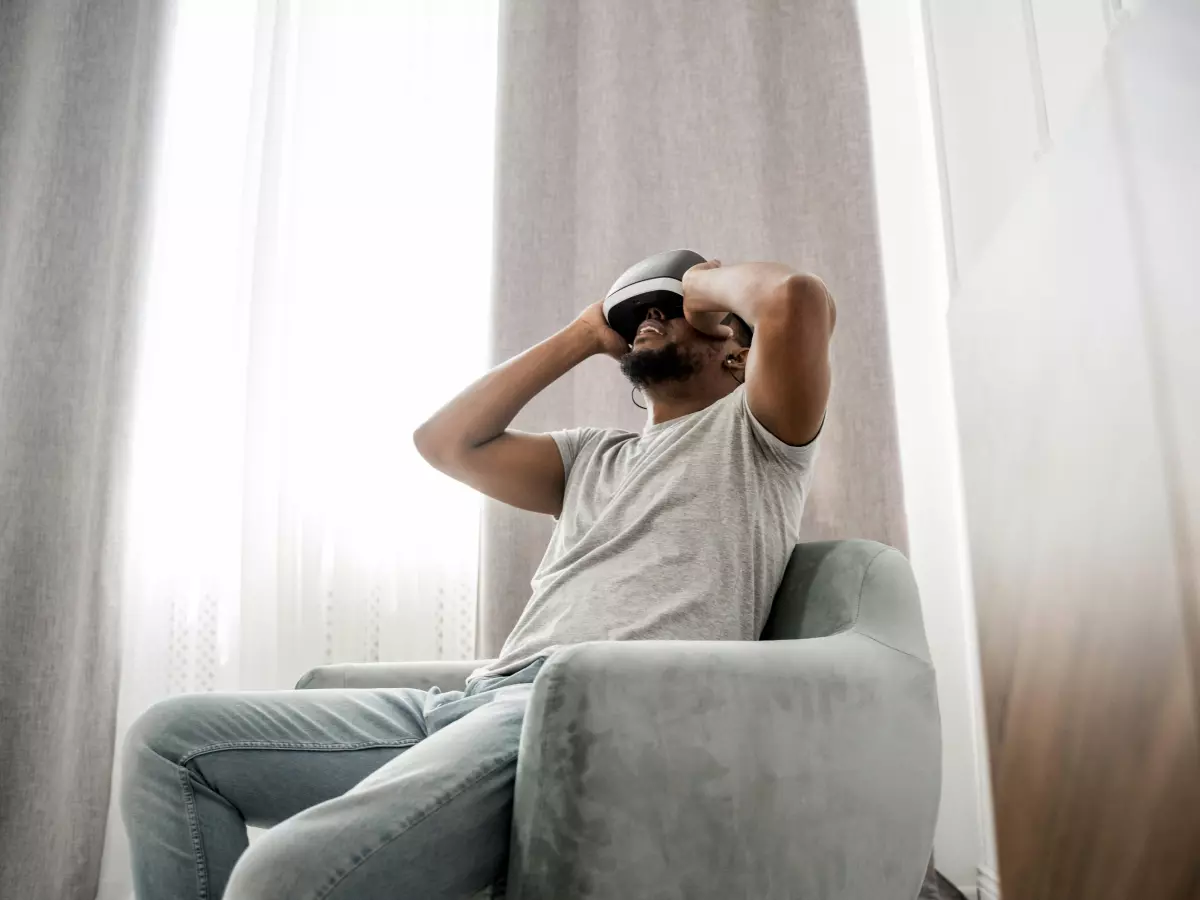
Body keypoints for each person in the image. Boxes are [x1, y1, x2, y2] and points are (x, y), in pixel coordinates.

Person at [120, 259, 836, 900]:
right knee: (168, 743)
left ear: (739, 356)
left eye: (673, 312)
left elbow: (797, 299)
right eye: (641, 311)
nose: (652, 315)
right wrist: (585, 333)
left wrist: (695, 282)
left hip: (569, 719)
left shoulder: (758, 441)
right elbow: (444, 442)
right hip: (471, 704)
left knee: (281, 878)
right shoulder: (591, 457)